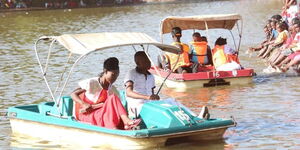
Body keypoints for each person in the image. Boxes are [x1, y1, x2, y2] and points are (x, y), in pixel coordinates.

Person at [125, 51, 209, 119]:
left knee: (172, 101)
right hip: (137, 107)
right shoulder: (131, 74)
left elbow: (151, 93)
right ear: (137, 63)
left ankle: (195, 117)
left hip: (150, 103)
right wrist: (147, 97)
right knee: (164, 110)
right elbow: (129, 92)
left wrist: (154, 97)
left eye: (149, 60)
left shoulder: (151, 76)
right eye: (145, 61)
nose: (149, 63)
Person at [71, 57, 141, 130]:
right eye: (113, 75)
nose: (114, 78)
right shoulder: (91, 83)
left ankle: (125, 124)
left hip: (101, 115)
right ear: (105, 71)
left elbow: (116, 109)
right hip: (87, 115)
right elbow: (73, 94)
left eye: (117, 76)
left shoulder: (113, 89)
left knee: (113, 99)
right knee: (113, 98)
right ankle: (126, 122)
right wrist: (83, 103)